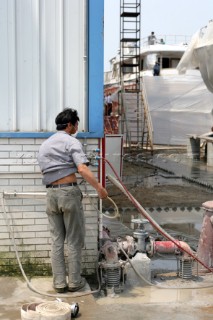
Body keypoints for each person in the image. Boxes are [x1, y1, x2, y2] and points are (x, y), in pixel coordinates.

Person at [37, 108, 108, 293]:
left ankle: (59, 283)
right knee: (75, 240)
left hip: (51, 195)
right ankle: (75, 282)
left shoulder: (45, 145)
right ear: (69, 125)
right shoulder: (71, 141)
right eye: (76, 124)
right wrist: (99, 188)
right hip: (68, 194)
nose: (77, 127)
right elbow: (83, 169)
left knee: (57, 241)